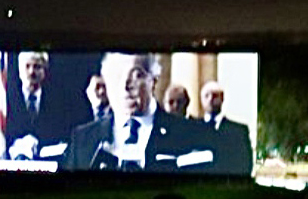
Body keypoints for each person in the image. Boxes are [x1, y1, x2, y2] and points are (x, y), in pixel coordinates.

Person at [62, 53, 203, 171]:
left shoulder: (189, 133)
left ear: (153, 80)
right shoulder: (82, 139)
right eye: (116, 75)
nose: (124, 85)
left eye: (136, 75)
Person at [2, 50, 59, 158]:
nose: (31, 72)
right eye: (27, 66)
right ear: (19, 70)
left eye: (37, 67)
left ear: (44, 71)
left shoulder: (56, 101)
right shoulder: (7, 99)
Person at [198, 80, 252, 173]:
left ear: (222, 98)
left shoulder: (239, 131)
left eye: (215, 96)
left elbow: (245, 163)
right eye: (206, 96)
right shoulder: (193, 128)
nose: (210, 99)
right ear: (201, 99)